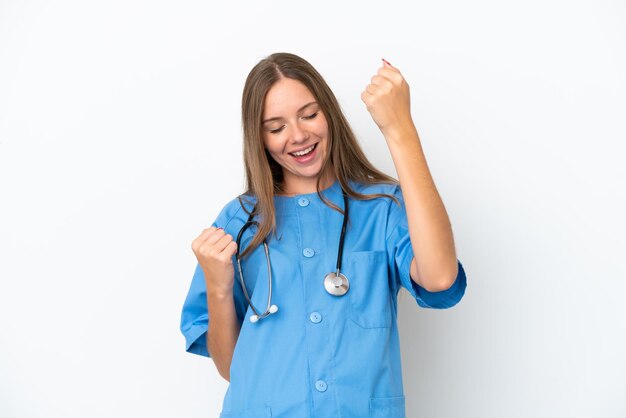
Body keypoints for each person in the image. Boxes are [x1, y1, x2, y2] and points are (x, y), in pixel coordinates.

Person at [180, 52, 467, 418]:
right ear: (260, 138)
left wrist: (400, 130)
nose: (298, 136)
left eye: (309, 115)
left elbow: (441, 279)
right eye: (276, 127)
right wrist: (219, 288)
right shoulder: (239, 221)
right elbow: (231, 369)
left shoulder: (381, 207)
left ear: (329, 112)